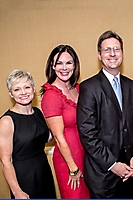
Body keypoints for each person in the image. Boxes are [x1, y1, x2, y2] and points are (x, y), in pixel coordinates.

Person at [77, 30, 133, 198]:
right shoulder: (89, 87)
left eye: (116, 49)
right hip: (103, 175)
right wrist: (113, 165)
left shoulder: (131, 85)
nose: (112, 54)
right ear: (99, 55)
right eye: (107, 50)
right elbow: (87, 133)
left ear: (122, 53)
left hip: (130, 172)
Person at [40, 45, 90, 198]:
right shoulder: (51, 95)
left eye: (68, 63)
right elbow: (59, 138)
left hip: (85, 155)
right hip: (68, 159)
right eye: (59, 63)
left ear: (75, 65)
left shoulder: (78, 89)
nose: (64, 67)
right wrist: (73, 168)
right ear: (52, 66)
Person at [0, 69, 56, 199]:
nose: (23, 92)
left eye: (26, 87)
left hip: (43, 172)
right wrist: (17, 191)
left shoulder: (37, 112)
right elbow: (6, 161)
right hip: (23, 178)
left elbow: (47, 139)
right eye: (17, 89)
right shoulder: (6, 121)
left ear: (33, 89)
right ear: (11, 94)